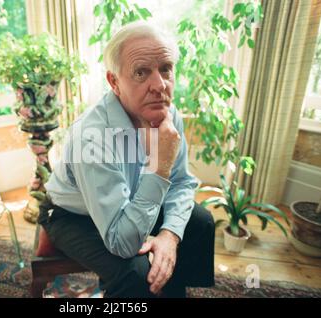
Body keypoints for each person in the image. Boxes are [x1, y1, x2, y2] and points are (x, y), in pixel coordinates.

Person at [39, 21, 215, 298]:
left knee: (201, 222)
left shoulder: (169, 113)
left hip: (131, 198)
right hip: (72, 215)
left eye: (166, 69)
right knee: (135, 272)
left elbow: (181, 183)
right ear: (114, 82)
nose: (159, 85)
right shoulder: (91, 136)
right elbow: (122, 243)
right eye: (141, 72)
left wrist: (168, 236)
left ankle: (173, 286)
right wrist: (159, 165)